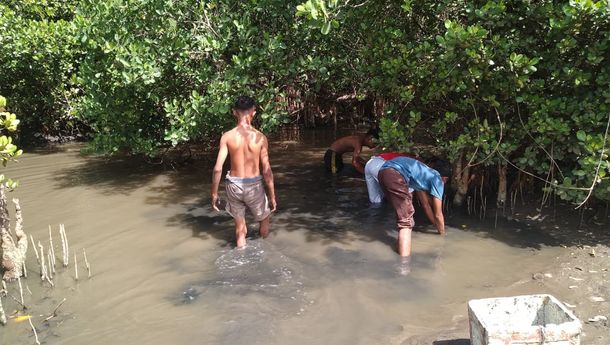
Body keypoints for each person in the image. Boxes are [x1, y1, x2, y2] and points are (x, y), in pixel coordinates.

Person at [211, 96, 277, 248]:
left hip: (233, 185)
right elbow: (267, 171)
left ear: (234, 112)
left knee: (240, 231)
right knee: (264, 221)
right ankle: (264, 250)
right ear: (253, 112)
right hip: (254, 185)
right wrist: (272, 196)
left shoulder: (227, 137)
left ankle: (241, 252)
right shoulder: (260, 137)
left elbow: (218, 168)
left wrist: (214, 194)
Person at [377, 156, 452, 256]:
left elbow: (426, 205)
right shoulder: (438, 179)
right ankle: (404, 265)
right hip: (395, 174)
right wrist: (442, 234)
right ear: (445, 179)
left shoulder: (423, 174)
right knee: (407, 223)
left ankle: (398, 250)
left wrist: (436, 225)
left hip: (382, 172)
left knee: (403, 218)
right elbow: (438, 214)